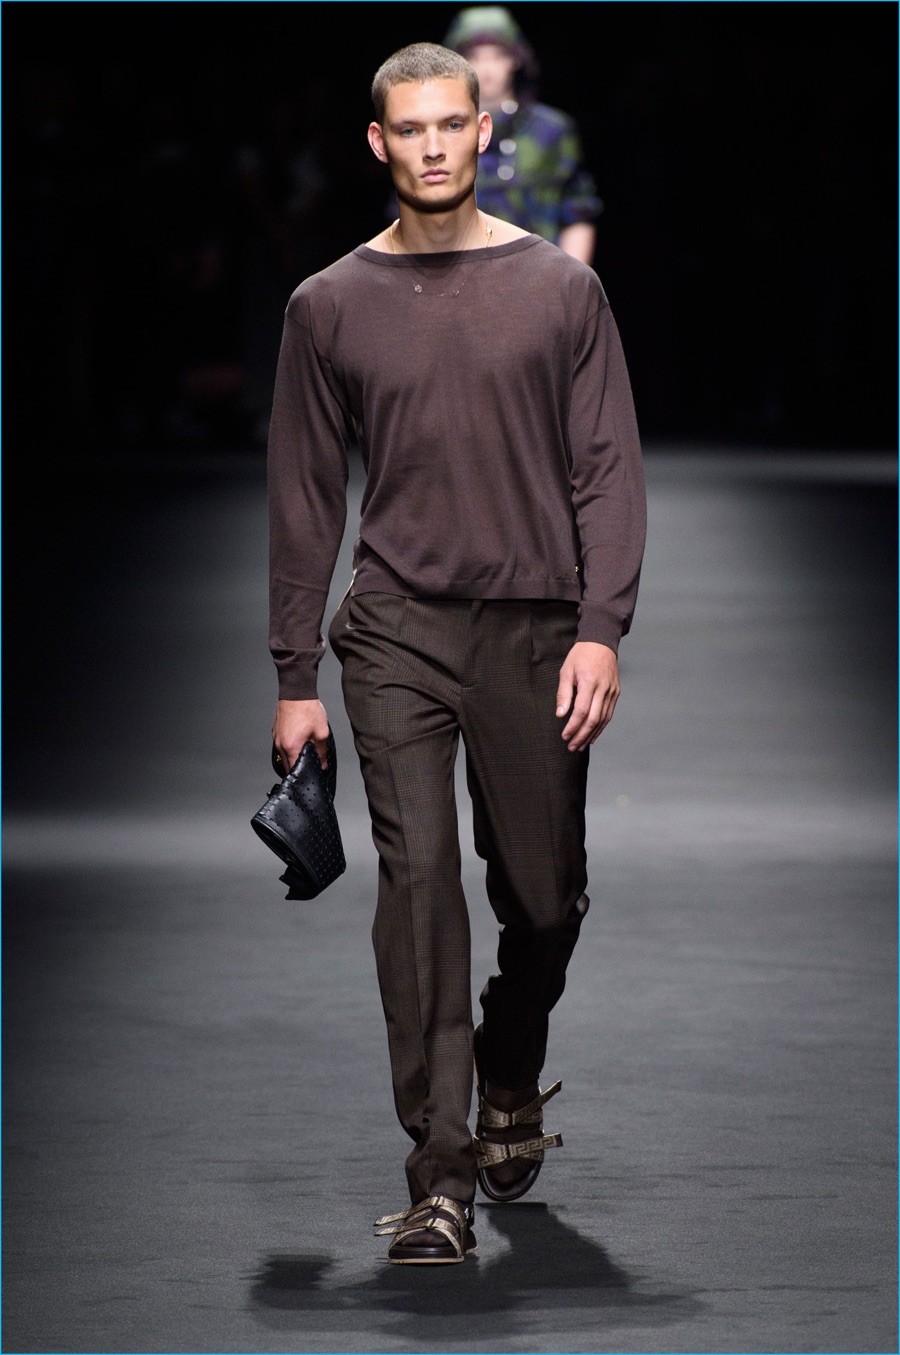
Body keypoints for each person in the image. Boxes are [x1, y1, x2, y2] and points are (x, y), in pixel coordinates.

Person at [267, 41, 646, 1265]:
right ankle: (438, 1175)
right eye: (409, 129)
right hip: (397, 631)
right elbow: (304, 496)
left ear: (485, 133)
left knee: (542, 896)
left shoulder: (561, 292)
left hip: (535, 625)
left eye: (451, 125)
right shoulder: (327, 304)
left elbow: (608, 470)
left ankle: (511, 1058)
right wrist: (294, 675)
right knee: (420, 885)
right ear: (378, 143)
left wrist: (601, 626)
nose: (432, 147)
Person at [443, 4, 603, 265]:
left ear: (516, 58)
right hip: (459, 281)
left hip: (542, 278)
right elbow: (410, 220)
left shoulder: (552, 131)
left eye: (498, 56)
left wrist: (572, 282)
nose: (486, 68)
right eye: (474, 57)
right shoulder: (437, 135)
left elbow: (578, 213)